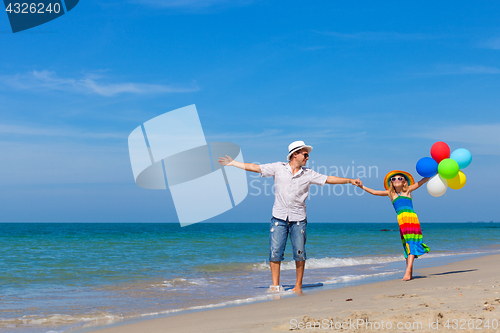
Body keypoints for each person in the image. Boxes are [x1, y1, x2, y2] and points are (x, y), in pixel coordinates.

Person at [218, 140, 362, 293]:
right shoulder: (278, 168)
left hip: (298, 219)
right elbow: (255, 167)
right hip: (278, 217)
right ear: (295, 154)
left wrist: (349, 180)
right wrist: (234, 163)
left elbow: (328, 179)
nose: (307, 158)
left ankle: (298, 286)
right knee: (275, 252)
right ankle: (275, 286)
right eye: (305, 155)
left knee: (299, 253)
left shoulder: (308, 173)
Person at [358, 170, 430, 281]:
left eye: (400, 178)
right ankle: (409, 270)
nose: (396, 180)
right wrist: (362, 186)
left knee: (411, 242)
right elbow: (374, 192)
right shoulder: (391, 194)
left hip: (411, 218)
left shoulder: (408, 190)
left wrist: (434, 172)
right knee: (406, 244)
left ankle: (408, 270)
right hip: (401, 220)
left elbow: (422, 181)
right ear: (391, 182)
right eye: (394, 179)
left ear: (405, 182)